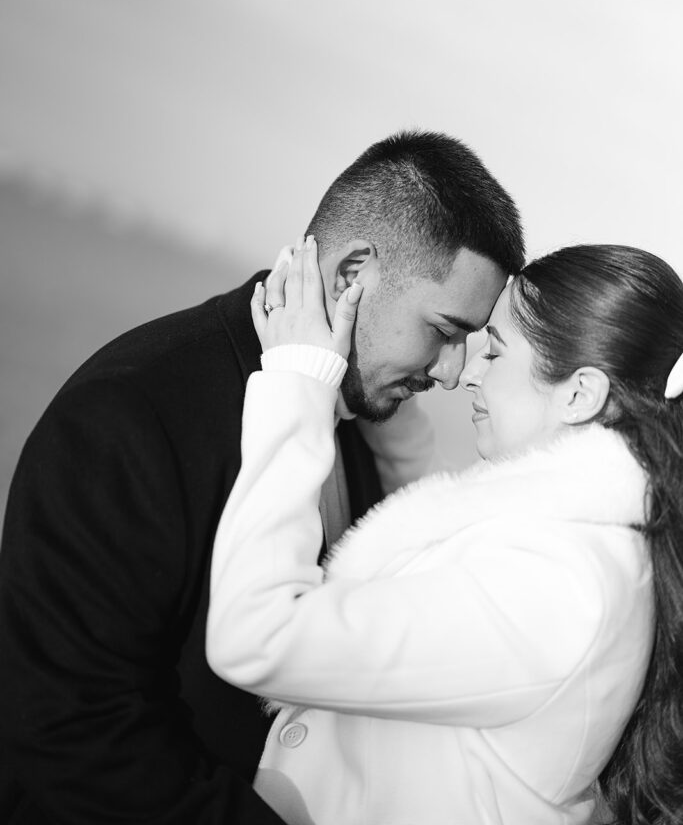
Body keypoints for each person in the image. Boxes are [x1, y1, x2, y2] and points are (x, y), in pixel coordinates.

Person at [0, 130, 524, 824]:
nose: (452, 372)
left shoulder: (357, 421)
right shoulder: (132, 411)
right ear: (350, 274)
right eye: (444, 329)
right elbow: (67, 735)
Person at [207, 239, 683, 825]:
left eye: (496, 353)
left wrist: (298, 386)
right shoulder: (572, 544)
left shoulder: (559, 583)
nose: (466, 375)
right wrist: (371, 393)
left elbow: (258, 636)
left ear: (580, 394)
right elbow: (438, 574)